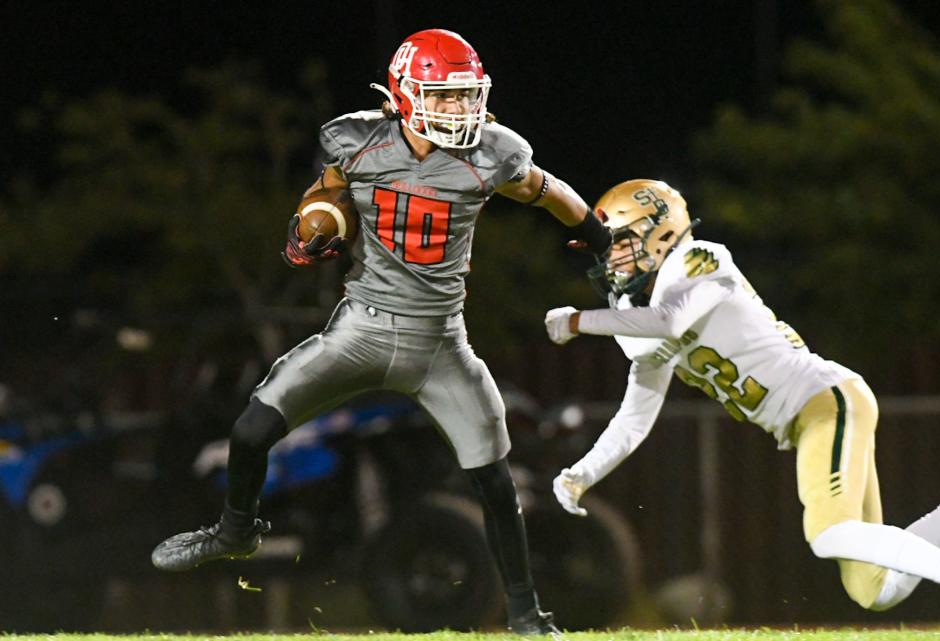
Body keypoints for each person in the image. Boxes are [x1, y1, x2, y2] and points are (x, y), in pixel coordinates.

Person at [151, 28, 611, 635]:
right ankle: (235, 533)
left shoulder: (491, 152)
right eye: (444, 96)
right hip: (362, 330)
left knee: (496, 483)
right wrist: (311, 226)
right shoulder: (358, 140)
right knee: (251, 427)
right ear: (403, 94)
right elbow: (327, 196)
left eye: (466, 96)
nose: (459, 109)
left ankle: (526, 613)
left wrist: (595, 235)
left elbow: (542, 188)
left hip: (441, 343)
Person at [543, 178, 940, 626]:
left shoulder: (699, 260)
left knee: (828, 534)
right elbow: (634, 420)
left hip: (824, 400)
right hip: (811, 418)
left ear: (660, 231)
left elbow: (671, 319)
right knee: (875, 590)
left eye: (621, 242)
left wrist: (578, 321)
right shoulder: (644, 326)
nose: (612, 257)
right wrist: (581, 474)